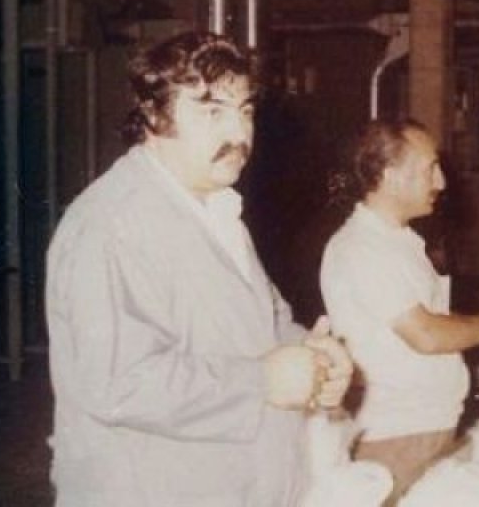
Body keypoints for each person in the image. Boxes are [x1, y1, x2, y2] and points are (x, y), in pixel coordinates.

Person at [46, 31, 353, 507]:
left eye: (245, 111)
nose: (238, 134)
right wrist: (262, 381)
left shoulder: (216, 210)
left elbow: (266, 323)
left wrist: (315, 358)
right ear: (154, 115)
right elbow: (118, 382)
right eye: (213, 112)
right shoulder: (112, 224)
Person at [319, 118, 479, 505]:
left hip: (424, 429)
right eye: (429, 169)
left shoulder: (398, 242)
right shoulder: (362, 248)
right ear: (390, 176)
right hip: (395, 438)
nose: (441, 182)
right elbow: (425, 334)